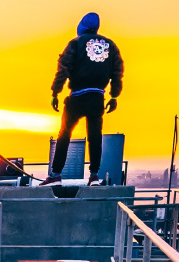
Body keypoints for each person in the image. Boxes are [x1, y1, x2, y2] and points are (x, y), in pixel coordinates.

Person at [44, 12, 123, 186]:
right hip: (97, 98)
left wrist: (55, 93)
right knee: (95, 137)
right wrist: (114, 96)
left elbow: (63, 68)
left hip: (77, 97)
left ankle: (56, 174)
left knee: (64, 135)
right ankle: (94, 175)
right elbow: (117, 72)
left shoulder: (75, 43)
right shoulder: (110, 45)